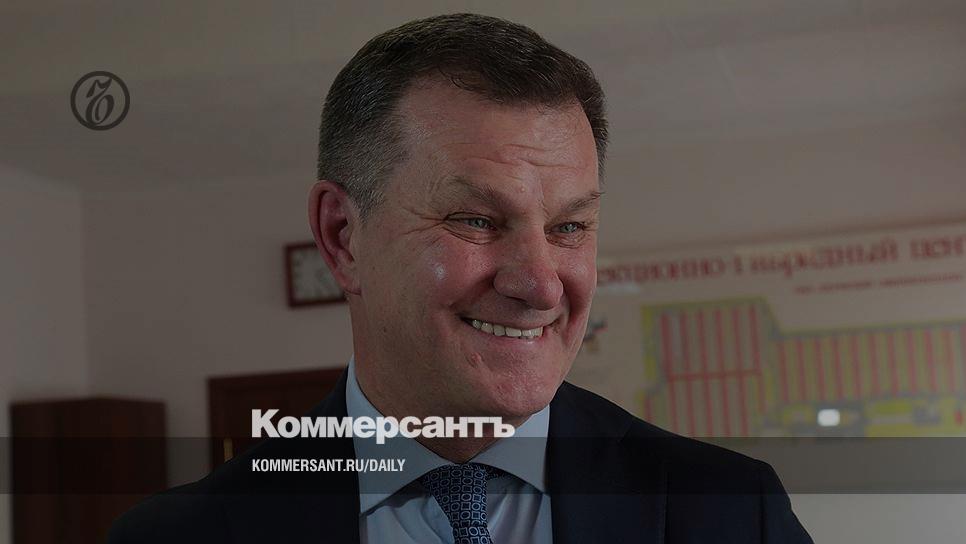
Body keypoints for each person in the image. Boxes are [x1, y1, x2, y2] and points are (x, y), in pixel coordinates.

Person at [108, 13, 813, 543]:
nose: (541, 285)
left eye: (569, 227)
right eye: (476, 220)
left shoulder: (730, 511)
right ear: (343, 237)